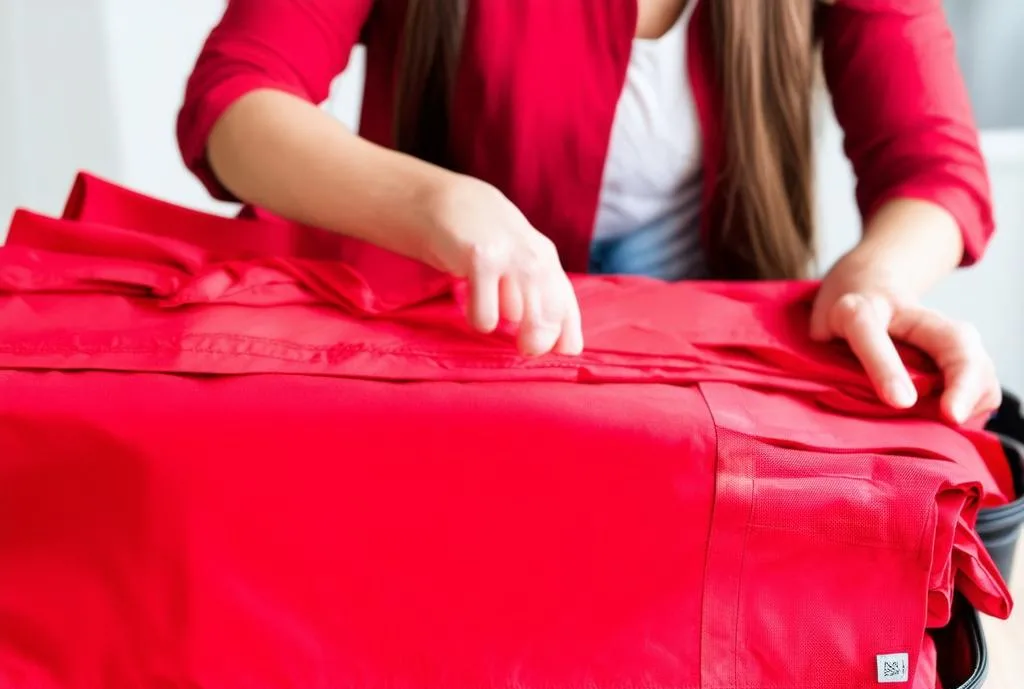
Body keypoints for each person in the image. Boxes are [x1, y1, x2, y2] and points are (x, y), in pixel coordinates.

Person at [177, 0, 1001, 424]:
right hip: (449, 339)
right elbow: (236, 102)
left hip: (698, 349)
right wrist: (438, 201)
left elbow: (932, 166)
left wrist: (877, 280)